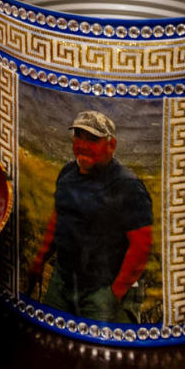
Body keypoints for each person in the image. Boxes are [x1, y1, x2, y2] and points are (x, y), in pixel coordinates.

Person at [28, 110, 153, 325]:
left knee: (99, 350)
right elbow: (58, 219)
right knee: (50, 338)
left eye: (93, 139)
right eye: (79, 136)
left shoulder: (127, 186)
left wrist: (115, 293)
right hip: (62, 281)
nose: (83, 145)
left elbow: (141, 246)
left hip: (101, 290)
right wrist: (40, 261)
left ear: (111, 145)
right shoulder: (67, 173)